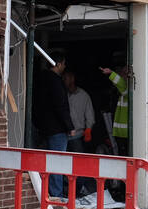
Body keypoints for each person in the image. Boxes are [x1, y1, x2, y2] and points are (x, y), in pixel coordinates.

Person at [33, 53, 73, 200]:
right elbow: (60, 106)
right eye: (64, 63)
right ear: (59, 64)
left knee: (45, 162)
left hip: (43, 127)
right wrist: (69, 125)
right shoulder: (56, 82)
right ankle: (56, 196)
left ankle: (46, 193)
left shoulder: (40, 80)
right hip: (57, 129)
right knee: (57, 163)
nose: (65, 66)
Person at [63, 70, 97, 201]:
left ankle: (76, 190)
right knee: (63, 165)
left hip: (77, 136)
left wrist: (88, 129)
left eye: (66, 78)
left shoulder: (83, 96)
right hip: (63, 136)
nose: (64, 80)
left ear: (72, 78)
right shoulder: (62, 94)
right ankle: (66, 190)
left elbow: (90, 116)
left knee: (79, 165)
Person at [99, 60, 132, 156]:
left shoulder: (129, 90)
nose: (123, 76)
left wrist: (111, 73)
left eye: (126, 73)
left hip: (126, 133)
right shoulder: (121, 92)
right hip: (121, 133)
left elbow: (122, 85)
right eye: (122, 73)